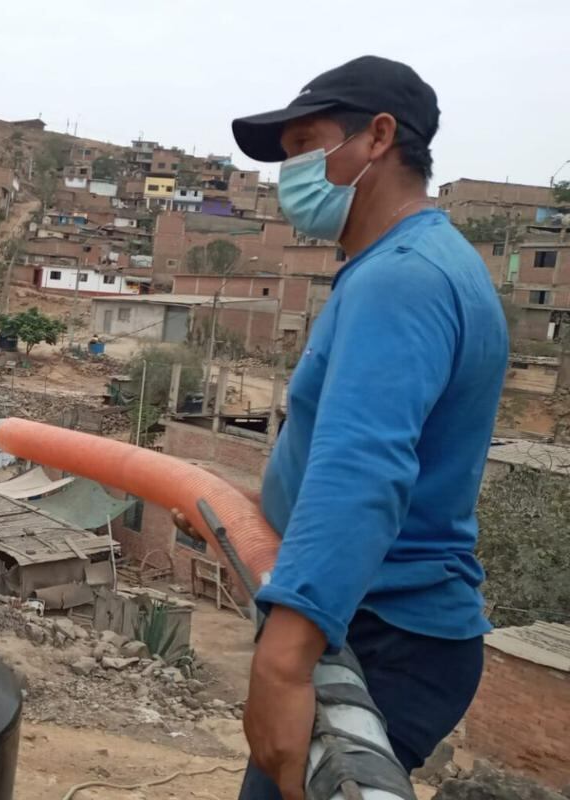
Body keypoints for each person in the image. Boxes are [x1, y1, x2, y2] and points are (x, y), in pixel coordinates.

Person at [227, 56, 508, 800]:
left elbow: (362, 474)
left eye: (304, 146)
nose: (290, 172)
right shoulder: (422, 261)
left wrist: (283, 664)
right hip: (375, 619)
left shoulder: (400, 280)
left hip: (383, 632)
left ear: (378, 136)